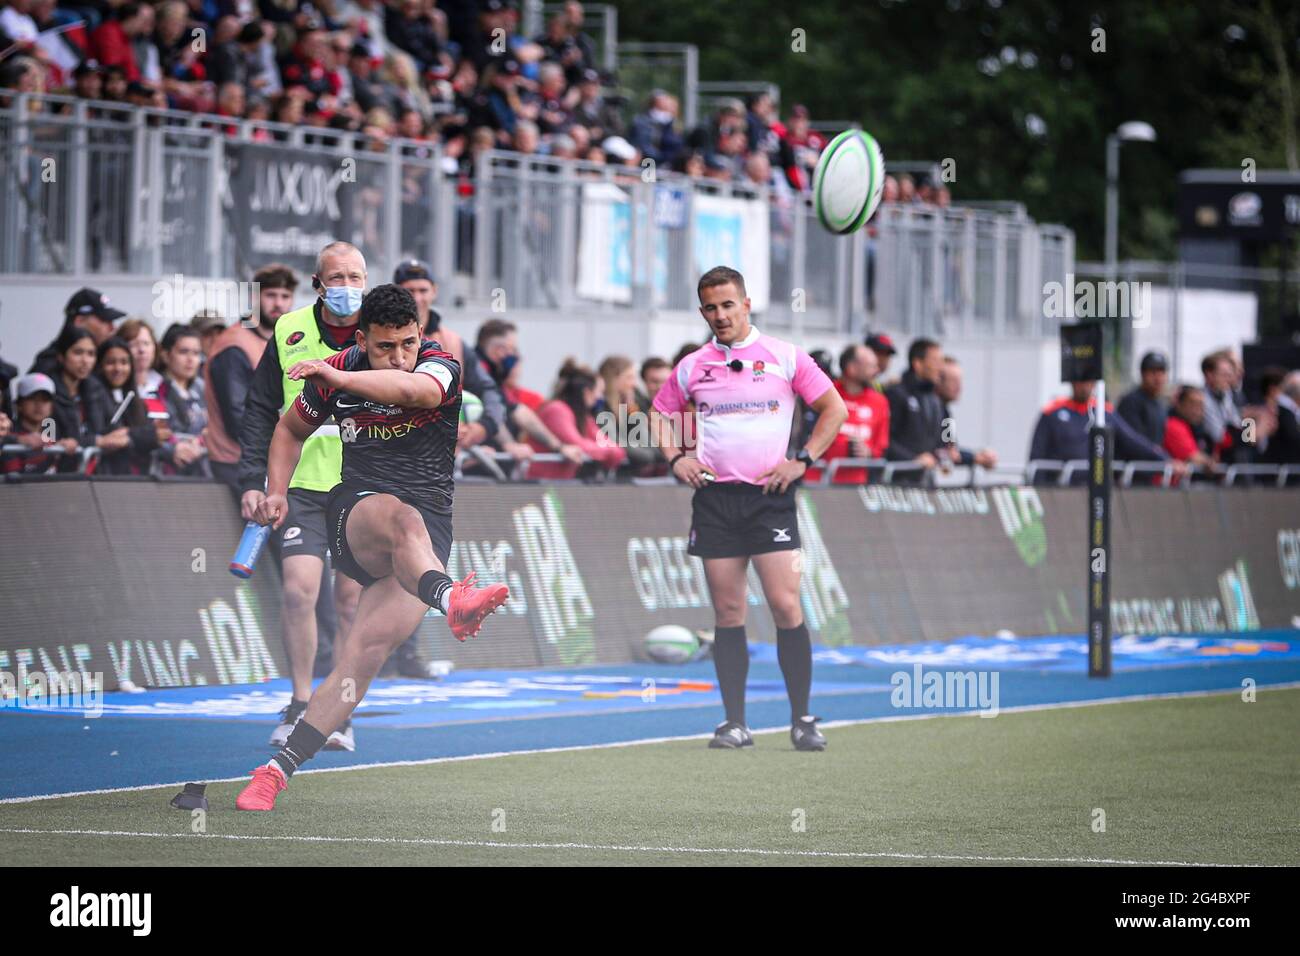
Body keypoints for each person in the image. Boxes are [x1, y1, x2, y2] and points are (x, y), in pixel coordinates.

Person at [235, 284, 509, 812]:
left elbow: (415, 394)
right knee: (400, 517)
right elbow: (288, 430)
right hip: (359, 512)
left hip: (429, 534)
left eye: (408, 344)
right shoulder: (336, 369)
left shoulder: (440, 366)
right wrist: (276, 490)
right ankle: (452, 600)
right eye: (386, 348)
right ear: (362, 339)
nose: (400, 357)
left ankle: (274, 771)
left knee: (361, 659)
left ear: (420, 335)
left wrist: (341, 377)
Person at [651, 266, 846, 751]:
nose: (720, 315)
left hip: (770, 499)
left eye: (728, 305)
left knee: (784, 604)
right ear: (702, 312)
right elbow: (658, 414)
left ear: (746, 304)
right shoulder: (694, 365)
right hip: (716, 500)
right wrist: (677, 457)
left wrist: (801, 461)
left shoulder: (785, 356)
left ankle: (802, 719)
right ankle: (734, 722)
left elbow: (834, 409)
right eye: (711, 308)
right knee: (728, 610)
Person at [239, 241, 366, 752]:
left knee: (351, 599)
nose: (347, 287)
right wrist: (256, 480)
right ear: (318, 284)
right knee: (298, 590)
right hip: (300, 487)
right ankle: (298, 702)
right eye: (337, 278)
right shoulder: (288, 330)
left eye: (356, 277)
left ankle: (339, 709)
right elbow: (259, 408)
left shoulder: (382, 333)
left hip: (362, 485)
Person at [205, 263, 298, 490]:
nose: (278, 303)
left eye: (285, 296)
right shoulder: (234, 344)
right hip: (236, 463)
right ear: (254, 296)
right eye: (271, 295)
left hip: (270, 459)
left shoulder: (285, 340)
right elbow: (237, 418)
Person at [1029, 380, 1175, 484]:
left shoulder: (1104, 413)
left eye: (1088, 381)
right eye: (1080, 381)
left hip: (1095, 487)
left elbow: (1133, 441)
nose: (1084, 386)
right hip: (1060, 486)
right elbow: (1037, 455)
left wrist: (1165, 459)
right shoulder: (1052, 413)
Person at [806, 344, 889, 485]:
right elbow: (805, 432)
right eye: (870, 366)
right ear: (852, 368)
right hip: (817, 483)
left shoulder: (880, 401)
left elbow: (881, 446)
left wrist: (869, 453)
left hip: (855, 485)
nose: (877, 370)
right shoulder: (825, 393)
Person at [529, 359, 625, 479]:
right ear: (587, 393)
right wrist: (608, 452)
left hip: (559, 485)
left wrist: (609, 451)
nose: (601, 397)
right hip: (539, 485)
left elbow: (615, 449)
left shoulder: (583, 416)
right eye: (599, 392)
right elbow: (580, 446)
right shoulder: (557, 410)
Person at [94, 336, 166, 475]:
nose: (118, 369)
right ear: (100, 365)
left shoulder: (136, 402)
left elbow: (157, 435)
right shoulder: (94, 398)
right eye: (110, 362)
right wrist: (138, 436)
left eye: (124, 362)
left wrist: (129, 435)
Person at [50, 327, 116, 470]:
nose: (85, 361)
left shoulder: (96, 389)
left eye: (91, 354)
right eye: (78, 352)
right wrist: (95, 441)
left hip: (96, 476)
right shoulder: (46, 393)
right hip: (60, 478)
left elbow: (115, 429)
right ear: (61, 356)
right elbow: (46, 440)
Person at [884, 337, 948, 482]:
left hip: (926, 482)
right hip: (897, 482)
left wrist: (973, 457)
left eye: (942, 361)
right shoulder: (896, 393)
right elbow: (885, 440)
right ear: (918, 364)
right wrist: (913, 460)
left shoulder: (936, 400)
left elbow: (947, 441)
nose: (941, 368)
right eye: (936, 361)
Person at [29, 288, 126, 377]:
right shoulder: (48, 368)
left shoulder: (103, 359)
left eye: (90, 354)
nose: (112, 327)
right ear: (79, 322)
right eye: (105, 320)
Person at [156, 325, 210, 477]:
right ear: (166, 355)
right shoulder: (155, 389)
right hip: (166, 476)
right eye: (183, 352)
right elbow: (157, 433)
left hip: (203, 474)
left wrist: (201, 440)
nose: (191, 359)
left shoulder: (204, 389)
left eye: (196, 353)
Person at [935, 356, 997, 472]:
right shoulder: (931, 408)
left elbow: (952, 451)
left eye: (960, 380)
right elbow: (948, 452)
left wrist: (977, 456)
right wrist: (976, 458)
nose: (959, 387)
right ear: (938, 380)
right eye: (953, 380)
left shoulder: (946, 412)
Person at [1, 373, 61, 475]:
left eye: (45, 399)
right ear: (19, 404)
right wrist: (18, 441)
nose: (39, 405)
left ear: (52, 406)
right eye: (32, 398)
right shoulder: (5, 433)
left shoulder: (55, 432)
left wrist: (61, 450)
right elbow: (16, 482)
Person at [1116, 351, 1170, 447]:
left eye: (1162, 372)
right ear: (1142, 374)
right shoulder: (1131, 402)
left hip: (1154, 460)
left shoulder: (1160, 403)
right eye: (1153, 372)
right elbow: (1133, 441)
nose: (1158, 378)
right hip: (1134, 461)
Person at [116, 317, 166, 397]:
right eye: (133, 345)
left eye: (146, 343)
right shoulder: (114, 389)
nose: (142, 350)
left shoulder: (163, 386)